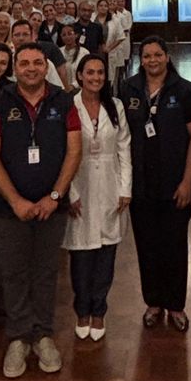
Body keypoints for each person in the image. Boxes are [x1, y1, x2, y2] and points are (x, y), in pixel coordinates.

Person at [0, 44, 83, 378]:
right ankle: (19, 336)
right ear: (15, 68)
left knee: (46, 271)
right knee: (14, 272)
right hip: (10, 207)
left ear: (46, 67)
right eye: (24, 63)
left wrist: (54, 196)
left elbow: (74, 151)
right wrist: (15, 200)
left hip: (53, 206)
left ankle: (43, 335)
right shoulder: (0, 101)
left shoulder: (63, 100)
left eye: (38, 63)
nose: (31, 68)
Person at [121, 36, 191, 330]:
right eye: (147, 56)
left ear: (167, 57)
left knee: (174, 244)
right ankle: (153, 302)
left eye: (157, 55)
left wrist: (187, 181)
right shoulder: (128, 89)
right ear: (140, 59)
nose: (152, 60)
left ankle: (176, 304)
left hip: (176, 183)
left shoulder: (185, 90)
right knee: (146, 244)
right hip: (140, 184)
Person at [63, 56, 132, 341]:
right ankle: (82, 310)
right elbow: (61, 151)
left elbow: (124, 147)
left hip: (109, 185)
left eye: (100, 72)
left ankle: (99, 311)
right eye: (89, 72)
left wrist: (125, 188)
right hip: (78, 183)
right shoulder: (69, 105)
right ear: (79, 75)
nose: (95, 77)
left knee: (106, 253)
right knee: (81, 255)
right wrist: (69, 192)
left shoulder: (115, 106)